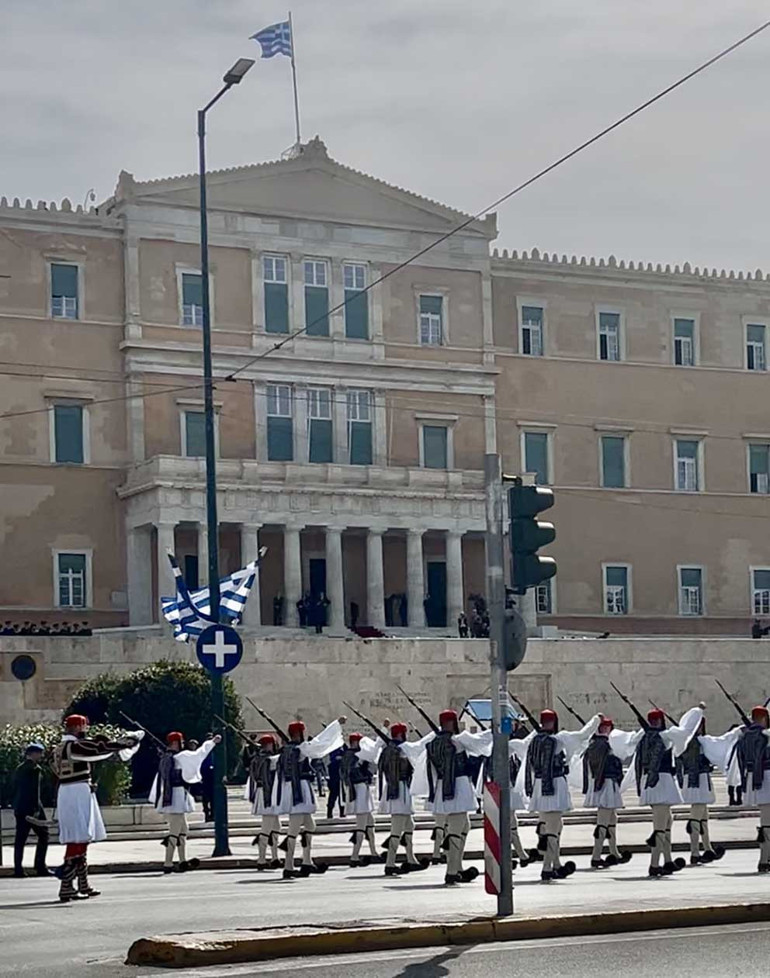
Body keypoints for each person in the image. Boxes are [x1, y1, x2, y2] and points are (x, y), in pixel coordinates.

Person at [52, 714, 142, 901]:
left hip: (73, 790)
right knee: (78, 838)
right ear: (77, 727)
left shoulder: (61, 747)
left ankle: (81, 884)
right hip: (75, 792)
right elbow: (98, 749)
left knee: (81, 838)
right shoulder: (73, 746)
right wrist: (123, 743)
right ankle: (67, 885)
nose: (85, 730)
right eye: (83, 727)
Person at [625, 705, 704, 878]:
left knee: (667, 821)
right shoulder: (665, 736)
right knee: (660, 826)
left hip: (651, 781)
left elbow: (629, 745)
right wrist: (697, 711)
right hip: (661, 782)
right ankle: (654, 865)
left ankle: (667, 861)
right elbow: (685, 732)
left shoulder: (643, 737)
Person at [524, 709, 600, 882]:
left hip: (539, 786)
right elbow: (583, 735)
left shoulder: (534, 741)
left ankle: (556, 864)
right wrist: (596, 720)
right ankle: (547, 868)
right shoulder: (559, 740)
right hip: (554, 785)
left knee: (554, 826)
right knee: (553, 828)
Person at [425, 709, 492, 886]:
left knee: (464, 825)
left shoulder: (432, 744)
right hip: (458, 786)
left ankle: (458, 866)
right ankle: (451, 872)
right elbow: (481, 743)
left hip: (443, 786)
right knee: (455, 829)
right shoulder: (458, 741)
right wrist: (495, 730)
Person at [275, 716, 345, 879]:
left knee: (309, 826)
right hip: (299, 790)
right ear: (298, 734)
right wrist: (336, 724)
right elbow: (319, 744)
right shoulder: (301, 749)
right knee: (293, 830)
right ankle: (288, 866)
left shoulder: (286, 750)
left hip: (294, 789)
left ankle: (307, 861)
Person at [149, 731, 220, 873]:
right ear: (175, 743)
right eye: (180, 742)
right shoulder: (180, 757)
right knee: (175, 831)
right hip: (177, 796)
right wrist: (212, 742)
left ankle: (182, 861)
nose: (182, 744)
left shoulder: (167, 757)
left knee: (183, 830)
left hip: (172, 795)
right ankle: (168, 863)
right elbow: (199, 754)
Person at [677, 711, 741, 865]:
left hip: (693, 780)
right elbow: (721, 741)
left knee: (703, 817)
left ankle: (708, 848)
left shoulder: (685, 742)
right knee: (696, 816)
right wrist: (738, 731)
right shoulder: (700, 741)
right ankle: (694, 852)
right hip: (698, 780)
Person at [579, 715, 636, 869]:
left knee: (611, 819)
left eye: (608, 726)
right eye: (604, 727)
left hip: (607, 784)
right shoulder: (602, 745)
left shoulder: (597, 744)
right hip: (606, 784)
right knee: (603, 821)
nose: (607, 729)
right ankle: (596, 856)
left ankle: (614, 852)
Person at [377, 723, 432, 876]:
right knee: (397, 828)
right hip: (399, 789)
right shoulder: (400, 749)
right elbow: (417, 750)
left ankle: (411, 859)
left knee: (409, 825)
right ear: (401, 734)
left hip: (398, 788)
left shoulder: (388, 749)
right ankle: (390, 863)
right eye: (405, 733)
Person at [732, 705, 770, 873]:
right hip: (767, 777)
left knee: (765, 821)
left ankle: (765, 857)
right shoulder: (765, 735)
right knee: (767, 823)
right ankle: (764, 859)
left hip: (752, 779)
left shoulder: (743, 736)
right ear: (764, 718)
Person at [340, 732, 381, 866]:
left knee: (370, 822)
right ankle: (354, 856)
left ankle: (373, 852)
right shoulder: (354, 755)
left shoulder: (350, 755)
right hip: (359, 789)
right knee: (361, 826)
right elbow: (350, 773)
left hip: (361, 788)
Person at [12, 743, 50, 878]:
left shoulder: (19, 768)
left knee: (20, 839)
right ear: (33, 754)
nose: (41, 756)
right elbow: (35, 791)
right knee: (44, 835)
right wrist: (36, 810)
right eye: (39, 753)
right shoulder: (35, 769)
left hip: (20, 807)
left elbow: (14, 788)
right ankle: (40, 866)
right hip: (33, 808)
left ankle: (18, 869)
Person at [249, 734, 283, 870]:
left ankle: (275, 857)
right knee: (267, 826)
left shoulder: (257, 758)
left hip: (267, 793)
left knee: (276, 826)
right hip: (266, 794)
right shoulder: (267, 759)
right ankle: (261, 859)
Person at [326, 745, 344, 818]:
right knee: (333, 795)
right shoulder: (333, 749)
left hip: (340, 776)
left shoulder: (343, 749)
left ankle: (342, 811)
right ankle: (330, 812)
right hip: (334, 776)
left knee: (341, 795)